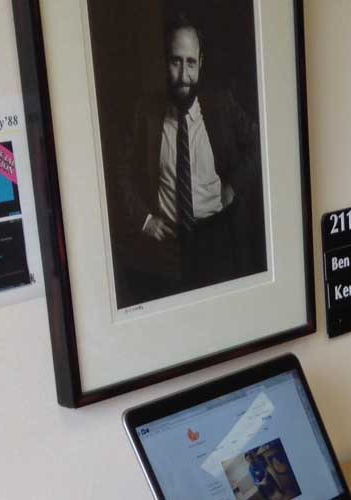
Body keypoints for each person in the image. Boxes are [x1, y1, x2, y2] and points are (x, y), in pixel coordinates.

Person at [115, 13, 263, 306]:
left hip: (218, 240)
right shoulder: (145, 114)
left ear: (201, 62)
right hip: (166, 248)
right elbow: (119, 170)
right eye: (176, 61)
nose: (184, 75)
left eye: (191, 63)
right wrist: (144, 220)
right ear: (164, 61)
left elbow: (261, 140)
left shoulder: (222, 105)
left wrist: (233, 186)